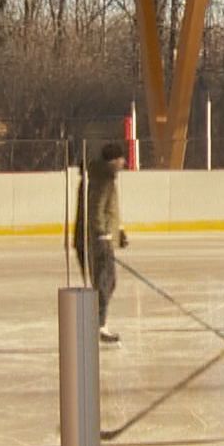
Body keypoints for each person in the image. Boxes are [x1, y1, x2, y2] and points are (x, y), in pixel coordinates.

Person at [73, 142, 128, 343]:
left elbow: (107, 209)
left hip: (98, 238)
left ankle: (97, 324)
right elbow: (96, 210)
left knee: (105, 283)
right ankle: (99, 326)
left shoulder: (100, 177)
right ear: (113, 161)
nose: (124, 162)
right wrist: (103, 234)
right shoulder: (103, 179)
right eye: (121, 158)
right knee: (105, 283)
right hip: (99, 239)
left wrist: (118, 231)